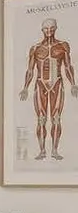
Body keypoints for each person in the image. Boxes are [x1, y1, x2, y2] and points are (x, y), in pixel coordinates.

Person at [19, 17, 78, 160]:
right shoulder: (35, 48)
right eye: (46, 28)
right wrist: (25, 87)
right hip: (40, 84)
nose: (49, 31)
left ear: (56, 28)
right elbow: (30, 70)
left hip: (57, 83)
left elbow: (68, 66)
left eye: (51, 28)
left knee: (56, 118)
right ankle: (42, 151)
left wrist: (73, 84)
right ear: (42, 30)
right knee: (41, 119)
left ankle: (55, 150)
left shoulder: (63, 46)